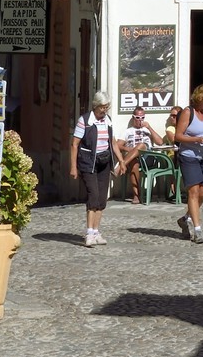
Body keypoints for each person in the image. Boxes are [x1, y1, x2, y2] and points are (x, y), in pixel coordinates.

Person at [70, 91, 123, 247]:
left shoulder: (108, 120)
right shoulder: (85, 121)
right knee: (93, 195)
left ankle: (96, 231)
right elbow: (74, 144)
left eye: (106, 107)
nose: (104, 110)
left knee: (101, 199)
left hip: (104, 162)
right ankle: (89, 233)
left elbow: (112, 143)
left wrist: (121, 160)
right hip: (88, 162)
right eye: (102, 107)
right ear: (96, 106)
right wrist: (73, 167)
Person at [174, 84, 203, 244]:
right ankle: (198, 229)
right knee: (193, 192)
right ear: (199, 99)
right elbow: (178, 136)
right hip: (189, 156)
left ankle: (185, 218)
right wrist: (196, 139)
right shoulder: (188, 112)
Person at [117, 105, 166, 205]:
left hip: (148, 158)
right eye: (138, 118)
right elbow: (118, 146)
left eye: (142, 117)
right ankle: (136, 195)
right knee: (134, 163)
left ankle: (121, 166)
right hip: (134, 158)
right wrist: (128, 149)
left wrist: (149, 127)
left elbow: (160, 142)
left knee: (141, 145)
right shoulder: (128, 131)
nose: (140, 120)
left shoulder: (147, 130)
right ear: (133, 117)